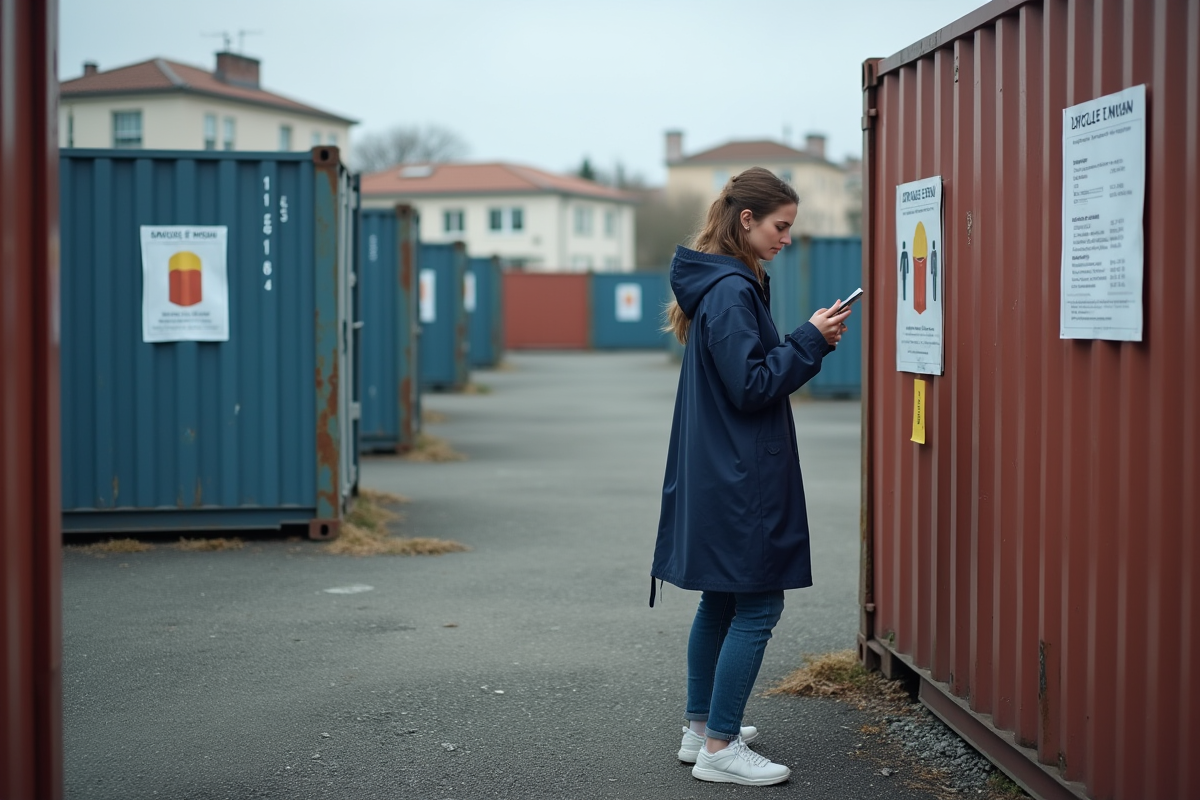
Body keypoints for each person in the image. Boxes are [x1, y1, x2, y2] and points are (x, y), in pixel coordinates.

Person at [650, 167, 851, 786]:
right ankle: (720, 748)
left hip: (720, 468)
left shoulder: (721, 282)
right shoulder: (734, 291)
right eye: (780, 226)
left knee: (722, 596)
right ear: (747, 220)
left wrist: (801, 338)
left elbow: (744, 372)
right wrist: (811, 341)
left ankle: (699, 728)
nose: (787, 237)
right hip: (740, 476)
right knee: (758, 603)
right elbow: (752, 384)